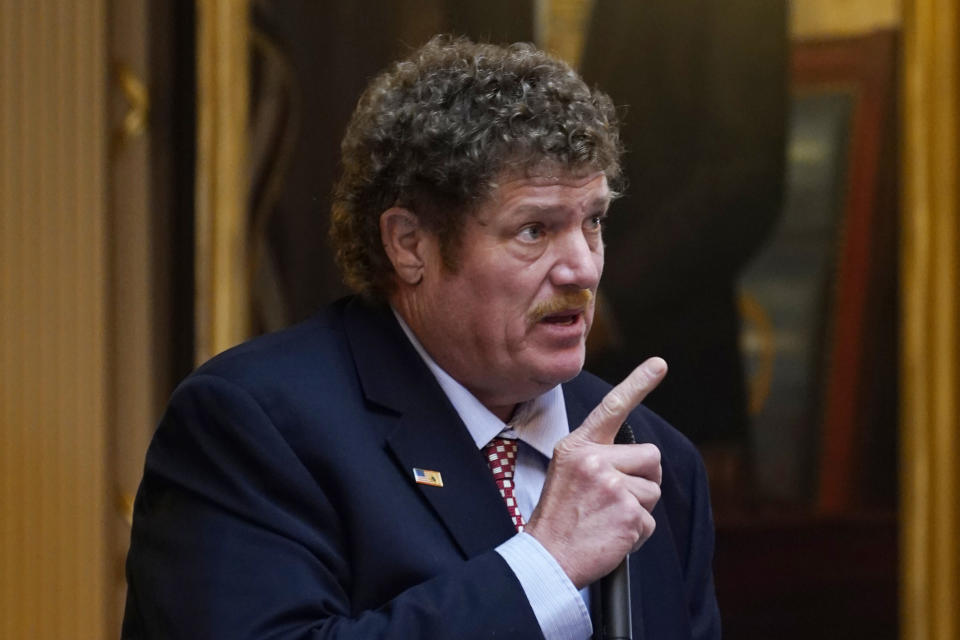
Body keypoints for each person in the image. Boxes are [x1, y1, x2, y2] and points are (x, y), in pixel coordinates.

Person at [122, 36, 720, 639]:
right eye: (534, 229)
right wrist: (546, 567)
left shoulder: (652, 457)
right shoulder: (254, 427)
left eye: (592, 222)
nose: (583, 268)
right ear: (410, 244)